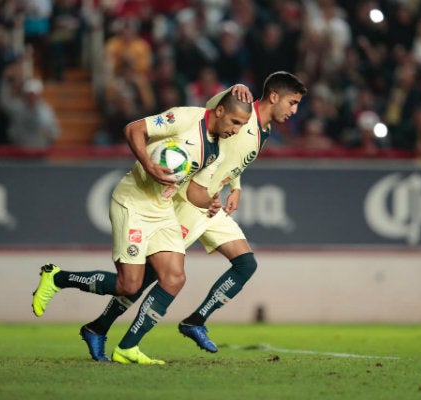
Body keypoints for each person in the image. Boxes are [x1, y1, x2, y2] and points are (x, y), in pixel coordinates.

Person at [75, 71, 307, 360]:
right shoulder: (238, 111)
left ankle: (195, 321)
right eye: (293, 102)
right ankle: (102, 329)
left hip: (211, 204)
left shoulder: (265, 129)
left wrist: (235, 186)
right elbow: (211, 112)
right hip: (189, 200)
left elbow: (233, 162)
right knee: (153, 276)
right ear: (274, 96)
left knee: (245, 263)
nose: (294, 110)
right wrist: (233, 88)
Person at [32, 91, 252, 364]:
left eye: (242, 125)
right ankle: (57, 278)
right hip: (133, 203)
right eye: (234, 121)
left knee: (174, 278)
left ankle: (127, 347)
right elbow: (134, 129)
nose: (236, 130)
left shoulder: (215, 150)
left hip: (163, 211)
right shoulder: (185, 118)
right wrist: (149, 165)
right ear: (219, 111)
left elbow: (194, 192)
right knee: (129, 284)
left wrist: (210, 202)